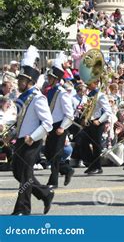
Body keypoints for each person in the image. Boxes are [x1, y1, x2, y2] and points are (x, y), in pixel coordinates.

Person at [11, 47, 54, 215]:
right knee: (17, 172)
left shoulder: (38, 97)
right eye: (19, 78)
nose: (18, 82)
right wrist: (12, 134)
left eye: (22, 79)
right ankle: (45, 193)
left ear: (29, 81)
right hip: (22, 140)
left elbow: (48, 123)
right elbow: (21, 122)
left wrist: (33, 136)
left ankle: (23, 209)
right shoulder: (22, 97)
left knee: (25, 176)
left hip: (32, 141)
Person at [44, 58, 75, 188]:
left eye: (50, 77)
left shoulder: (62, 93)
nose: (48, 79)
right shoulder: (50, 90)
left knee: (55, 154)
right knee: (48, 152)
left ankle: (53, 181)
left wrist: (62, 127)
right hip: (51, 126)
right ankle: (67, 170)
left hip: (59, 126)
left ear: (56, 79)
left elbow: (70, 114)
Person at [80, 78, 113, 175]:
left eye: (90, 83)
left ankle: (97, 167)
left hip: (97, 122)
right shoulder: (89, 94)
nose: (87, 84)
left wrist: (99, 120)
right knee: (83, 142)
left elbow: (108, 111)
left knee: (96, 145)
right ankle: (91, 163)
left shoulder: (100, 95)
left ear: (96, 83)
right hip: (89, 122)